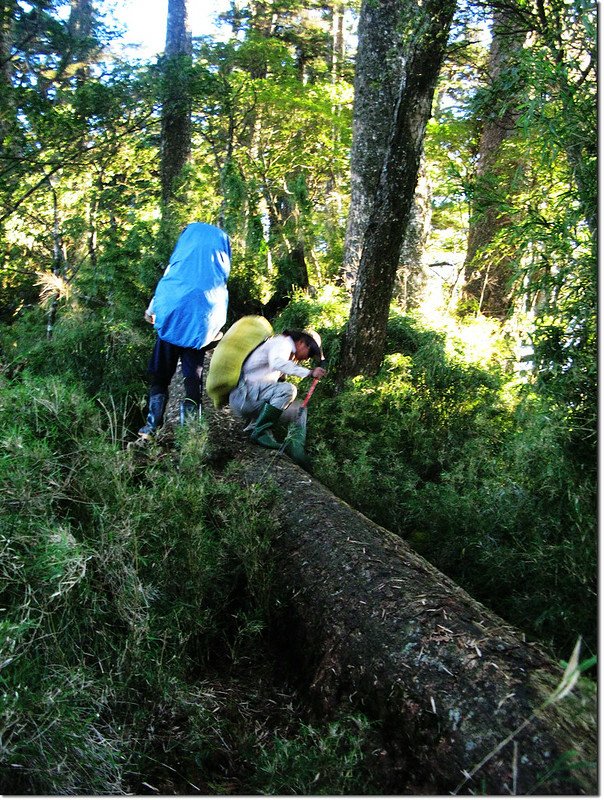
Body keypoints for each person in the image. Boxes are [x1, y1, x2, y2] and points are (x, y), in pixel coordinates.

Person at [138, 221, 231, 439]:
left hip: (172, 322)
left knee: (160, 375)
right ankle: (189, 432)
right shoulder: (217, 270)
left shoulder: (181, 262)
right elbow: (221, 301)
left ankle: (152, 426)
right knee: (192, 378)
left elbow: (168, 285)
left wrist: (151, 311)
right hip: (200, 327)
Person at [229, 329, 327, 464]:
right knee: (288, 389)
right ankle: (259, 432)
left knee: (299, 410)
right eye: (309, 353)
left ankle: (296, 454)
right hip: (243, 397)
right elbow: (277, 363)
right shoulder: (282, 343)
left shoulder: (286, 352)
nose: (306, 358)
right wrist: (309, 372)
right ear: (302, 343)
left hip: (251, 397)